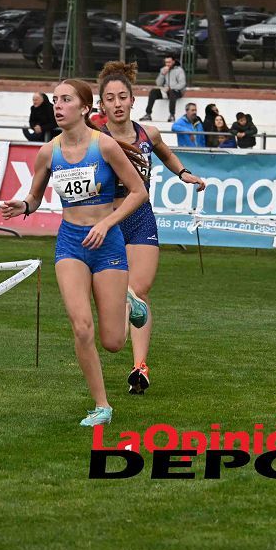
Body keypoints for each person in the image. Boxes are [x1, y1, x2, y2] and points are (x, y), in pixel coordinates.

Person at [0, 78, 150, 426]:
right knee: (82, 327)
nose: (58, 106)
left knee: (113, 341)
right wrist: (22, 204)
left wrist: (107, 223)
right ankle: (102, 406)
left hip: (107, 242)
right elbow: (35, 198)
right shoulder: (47, 152)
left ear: (85, 108)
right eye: (55, 100)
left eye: (66, 100)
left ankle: (130, 302)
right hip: (70, 243)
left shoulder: (106, 146)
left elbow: (138, 191)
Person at [94, 60, 206, 396]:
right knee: (119, 297)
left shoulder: (148, 134)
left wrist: (185, 174)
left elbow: (167, 156)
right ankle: (122, 305)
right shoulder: (95, 138)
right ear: (102, 105)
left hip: (141, 217)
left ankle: (140, 367)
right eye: (110, 98)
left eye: (122, 96)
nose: (116, 103)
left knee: (139, 292)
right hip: (107, 219)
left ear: (132, 101)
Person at [140, 55, 186, 122]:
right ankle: (148, 114)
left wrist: (171, 88)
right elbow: (158, 83)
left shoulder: (179, 70)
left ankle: (172, 115)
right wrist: (162, 74)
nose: (167, 64)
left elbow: (182, 84)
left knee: (172, 92)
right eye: (166, 62)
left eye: (169, 62)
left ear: (173, 62)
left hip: (177, 91)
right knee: (153, 92)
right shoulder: (163, 69)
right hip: (166, 91)